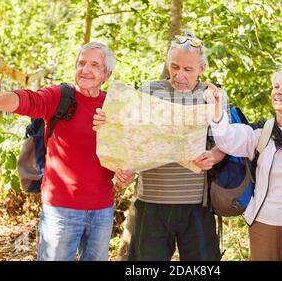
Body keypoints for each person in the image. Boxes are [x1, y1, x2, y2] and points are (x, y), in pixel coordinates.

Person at [0, 41, 129, 261]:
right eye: (81, 63)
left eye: (94, 65)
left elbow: (126, 151)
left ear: (107, 74)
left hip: (102, 210)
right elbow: (29, 100)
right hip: (61, 210)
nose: (85, 69)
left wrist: (127, 172)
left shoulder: (114, 107)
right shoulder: (59, 97)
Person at [93, 31, 229, 261]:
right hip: (151, 203)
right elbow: (132, 138)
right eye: (174, 67)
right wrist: (110, 128)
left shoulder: (214, 96)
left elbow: (225, 141)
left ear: (202, 69)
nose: (179, 75)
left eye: (188, 69)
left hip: (197, 204)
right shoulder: (150, 90)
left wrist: (214, 156)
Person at [205, 67, 282, 261]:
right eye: (276, 86)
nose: (278, 92)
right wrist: (216, 110)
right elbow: (227, 139)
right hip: (263, 222)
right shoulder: (261, 131)